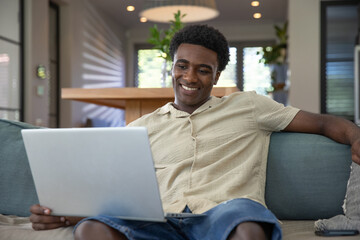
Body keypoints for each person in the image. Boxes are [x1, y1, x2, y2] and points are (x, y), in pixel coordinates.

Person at [29, 24, 360, 240]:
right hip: (158, 220)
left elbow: (321, 123)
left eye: (204, 70)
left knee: (248, 227)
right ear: (171, 68)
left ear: (216, 77)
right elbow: (110, 193)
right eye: (182, 66)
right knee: (91, 229)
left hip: (225, 212)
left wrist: (355, 135)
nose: (191, 77)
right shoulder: (140, 127)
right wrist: (64, 213)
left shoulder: (249, 106)